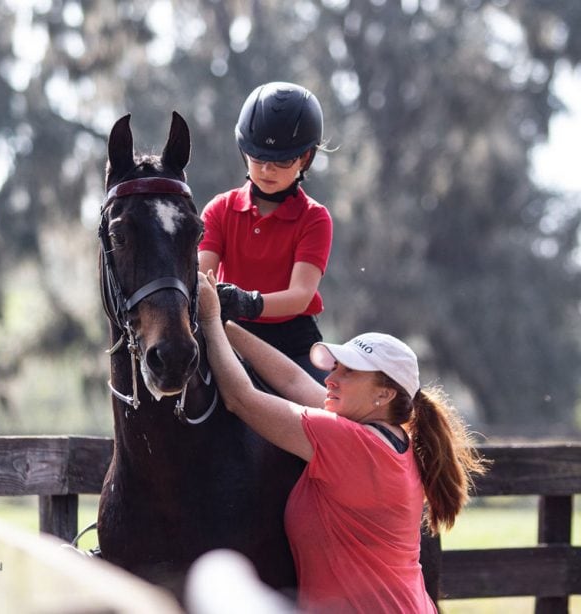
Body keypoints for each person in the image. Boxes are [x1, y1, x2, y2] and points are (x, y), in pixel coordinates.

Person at [197, 271, 487, 613]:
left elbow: (242, 398)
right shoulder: (386, 438)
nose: (331, 378)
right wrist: (228, 327)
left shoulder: (350, 443)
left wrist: (209, 318)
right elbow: (293, 380)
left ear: (384, 393)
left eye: (348, 372)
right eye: (335, 368)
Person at [198, 82, 333, 380]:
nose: (267, 170)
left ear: (305, 158)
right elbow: (200, 278)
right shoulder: (219, 210)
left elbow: (299, 295)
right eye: (258, 158)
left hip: (293, 346)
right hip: (228, 335)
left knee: (331, 414)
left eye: (282, 160)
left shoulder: (315, 219)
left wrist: (247, 301)